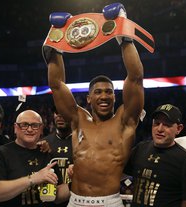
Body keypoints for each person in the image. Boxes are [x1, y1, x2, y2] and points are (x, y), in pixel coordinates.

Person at [46, 5, 144, 207]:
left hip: (108, 201)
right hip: (75, 201)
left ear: (115, 97)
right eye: (98, 92)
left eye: (109, 92)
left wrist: (123, 34)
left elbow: (135, 78)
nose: (104, 96)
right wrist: (55, 42)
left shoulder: (125, 121)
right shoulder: (78, 120)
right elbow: (56, 85)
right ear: (89, 98)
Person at [0, 110, 70, 207]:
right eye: (24, 125)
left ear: (41, 129)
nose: (29, 129)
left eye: (35, 125)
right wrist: (32, 179)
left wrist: (75, 183)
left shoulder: (46, 153)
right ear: (15, 128)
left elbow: (56, 196)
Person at [124, 104, 186, 207]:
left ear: (179, 129)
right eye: (156, 123)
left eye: (167, 125)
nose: (159, 129)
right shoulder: (140, 149)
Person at [43, 110, 73, 207]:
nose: (59, 116)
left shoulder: (84, 142)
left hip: (76, 200)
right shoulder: (44, 143)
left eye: (63, 112)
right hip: (50, 200)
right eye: (56, 112)